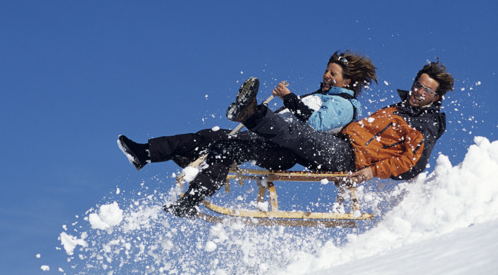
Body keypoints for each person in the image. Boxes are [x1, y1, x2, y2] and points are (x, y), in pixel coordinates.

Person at [117, 51, 378, 216]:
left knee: (227, 147)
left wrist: (290, 100)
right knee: (210, 136)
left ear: (347, 82)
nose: (326, 75)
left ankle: (193, 199)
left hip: (284, 151)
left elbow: (315, 127)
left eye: (334, 73)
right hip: (267, 137)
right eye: (327, 70)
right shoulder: (318, 96)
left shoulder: (345, 105)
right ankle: (147, 152)